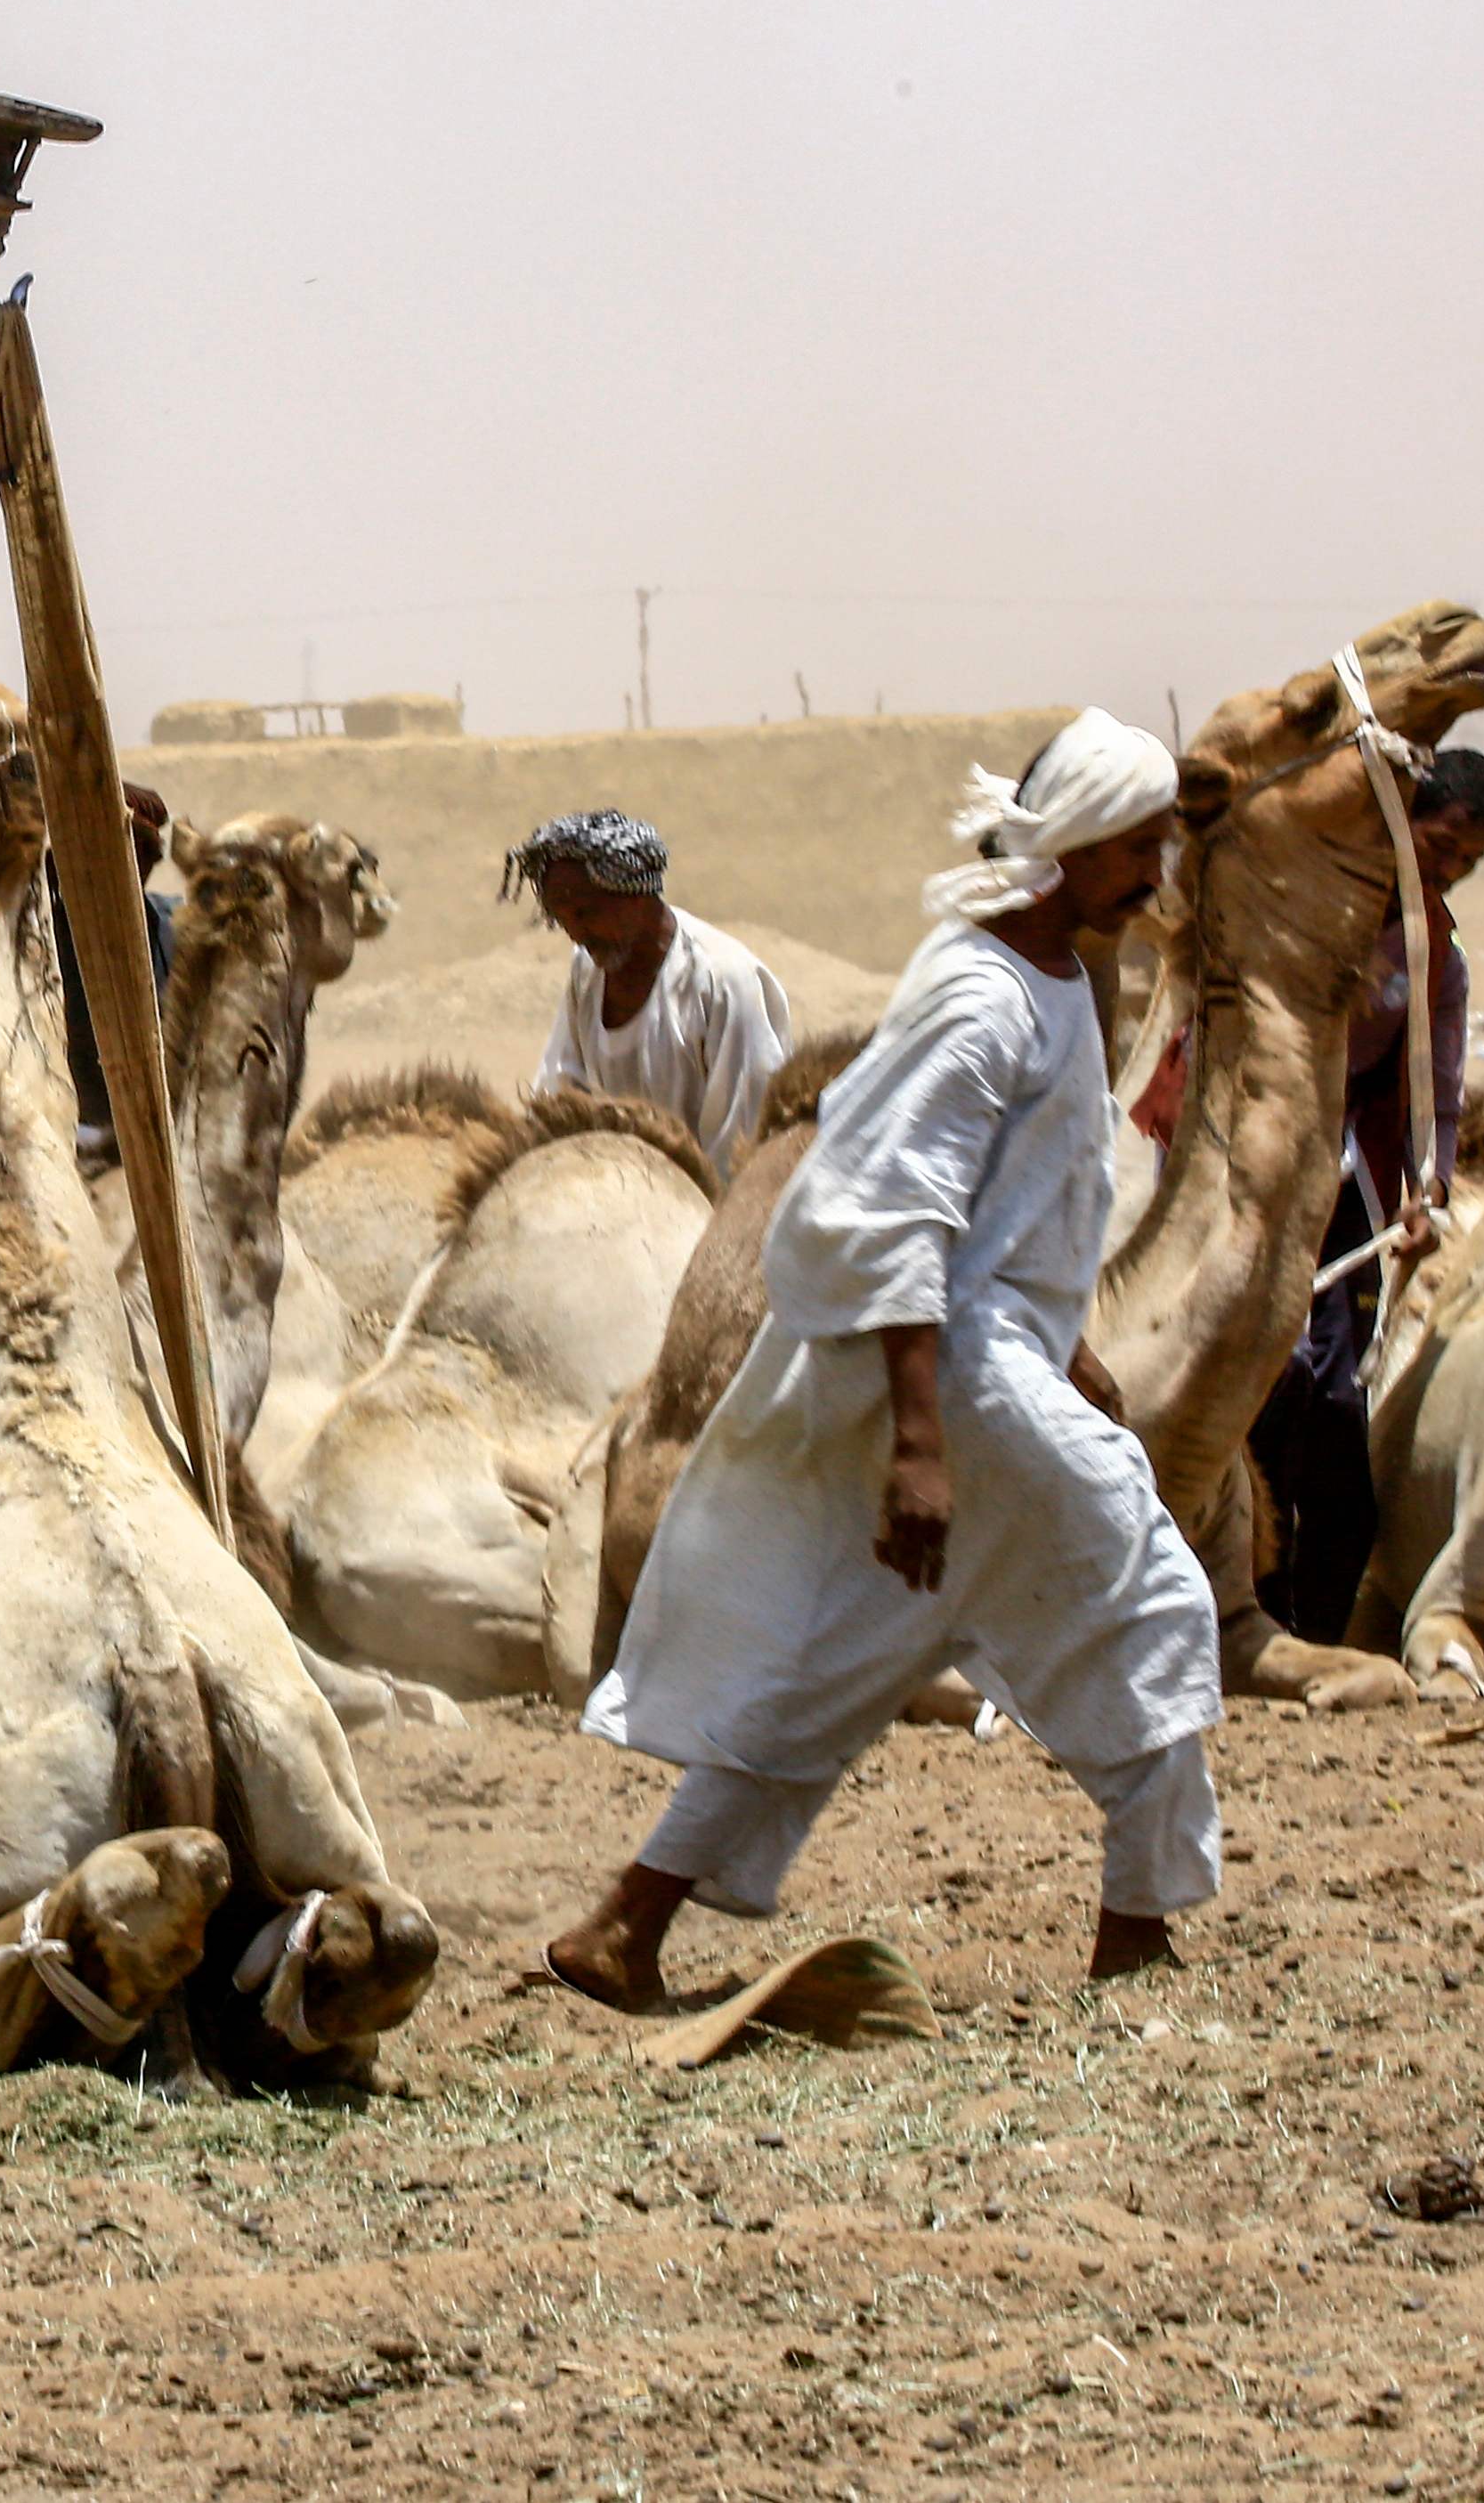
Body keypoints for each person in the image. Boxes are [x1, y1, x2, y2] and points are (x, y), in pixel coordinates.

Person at [545, 711, 1213, 2010]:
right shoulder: (983, 997)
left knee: (835, 1667)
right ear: (1075, 844)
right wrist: (919, 1439)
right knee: (1155, 1600)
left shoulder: (1052, 977)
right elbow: (901, 1209)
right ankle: (1137, 1933)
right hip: (959, 1376)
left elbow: (1003, 1208)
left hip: (989, 1360)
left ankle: (626, 1924)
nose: (1157, 872)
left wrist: (1064, 1344)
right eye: (1139, 845)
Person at [1245, 743, 1484, 1645]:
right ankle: (1250, 1599)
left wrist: (1429, 1186)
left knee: (1332, 1388)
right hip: (1264, 1162)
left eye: (1471, 859)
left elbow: (1439, 1082)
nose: (1453, 868)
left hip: (1350, 1175)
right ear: (1404, 821)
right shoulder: (1308, 909)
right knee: (1273, 1377)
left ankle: (1317, 1622)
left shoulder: (1436, 956)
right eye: (1444, 844)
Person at [507, 809, 796, 1176]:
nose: (577, 934)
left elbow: (741, 1144)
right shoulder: (587, 970)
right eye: (562, 920)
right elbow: (561, 1091)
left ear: (635, 895)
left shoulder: (724, 982)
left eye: (586, 913)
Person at [62, 780, 180, 1165]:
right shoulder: (43, 935)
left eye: (142, 856)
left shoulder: (172, 931)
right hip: (64, 1137)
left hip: (154, 1142)